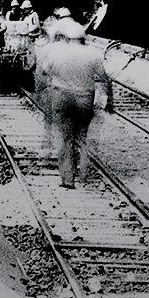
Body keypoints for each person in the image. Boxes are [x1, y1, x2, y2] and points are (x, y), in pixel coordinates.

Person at [33, 11, 114, 188]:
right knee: (82, 138)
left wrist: (40, 93)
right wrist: (110, 101)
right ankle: (84, 173)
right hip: (85, 100)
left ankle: (68, 179)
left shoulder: (57, 52)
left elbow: (42, 73)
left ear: (68, 38)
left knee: (65, 138)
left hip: (62, 98)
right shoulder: (93, 53)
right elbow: (105, 79)